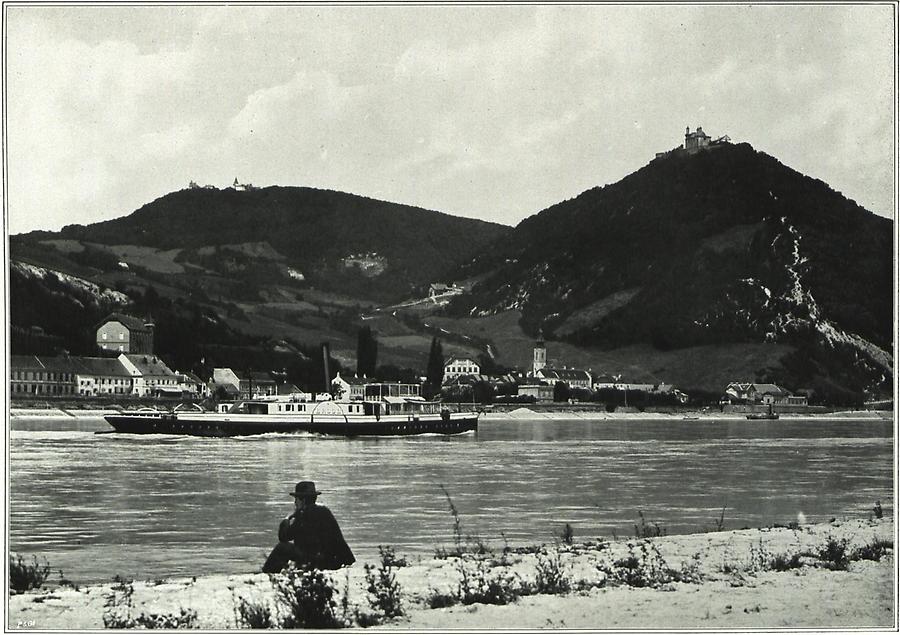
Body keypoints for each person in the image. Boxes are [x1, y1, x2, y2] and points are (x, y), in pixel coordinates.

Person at [262, 481, 355, 573]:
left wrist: (287, 519)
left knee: (282, 548)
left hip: (320, 562)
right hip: (335, 560)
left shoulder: (304, 514)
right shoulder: (324, 511)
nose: (295, 503)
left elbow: (283, 537)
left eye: (296, 499)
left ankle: (268, 572)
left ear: (303, 500)